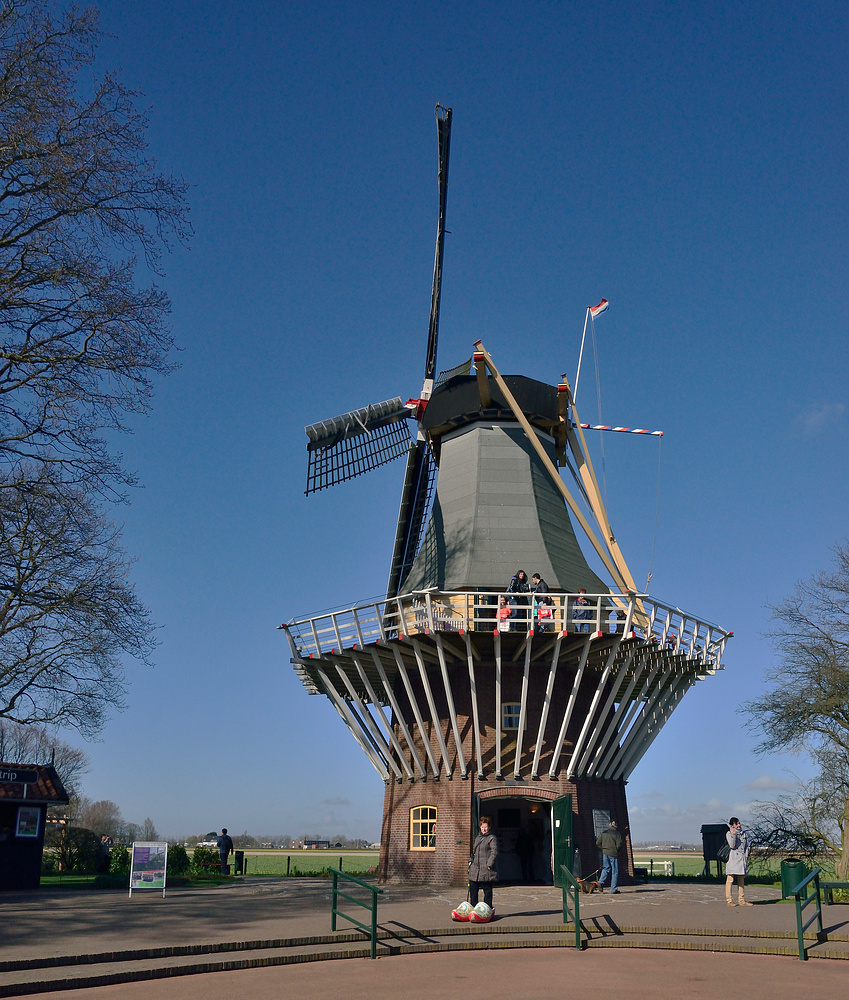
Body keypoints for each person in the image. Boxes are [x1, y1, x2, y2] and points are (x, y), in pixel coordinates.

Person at [468, 815, 498, 909]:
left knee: (487, 891)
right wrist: (470, 861)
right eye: (482, 827)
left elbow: (494, 851)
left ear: (489, 827)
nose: (484, 829)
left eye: (486, 827)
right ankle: (474, 908)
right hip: (475, 869)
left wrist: (489, 864)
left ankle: (487, 909)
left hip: (486, 869)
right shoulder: (477, 838)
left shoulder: (491, 838)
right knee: (473, 890)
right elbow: (473, 852)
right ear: (480, 827)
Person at [725, 816, 752, 906]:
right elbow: (732, 846)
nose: (739, 825)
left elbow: (746, 847)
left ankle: (741, 900)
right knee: (730, 879)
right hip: (733, 859)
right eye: (736, 824)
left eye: (739, 823)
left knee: (741, 880)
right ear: (732, 825)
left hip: (742, 859)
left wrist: (746, 857)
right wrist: (733, 835)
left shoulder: (743, 834)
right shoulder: (729, 834)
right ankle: (729, 900)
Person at [596, 820, 623, 894]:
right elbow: (619, 844)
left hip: (605, 853)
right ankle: (613, 889)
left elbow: (598, 842)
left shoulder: (604, 833)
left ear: (609, 825)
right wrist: (616, 851)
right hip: (613, 854)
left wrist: (603, 849)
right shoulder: (617, 834)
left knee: (606, 868)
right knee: (615, 871)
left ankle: (601, 881)